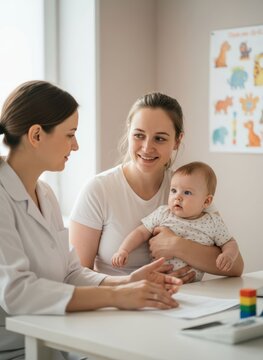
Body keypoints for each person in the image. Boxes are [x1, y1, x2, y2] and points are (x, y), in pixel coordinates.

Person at [0, 81, 182, 360]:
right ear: (36, 135)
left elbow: (70, 272)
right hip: (15, 347)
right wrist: (116, 297)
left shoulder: (44, 193)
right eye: (70, 134)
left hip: (52, 338)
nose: (76, 145)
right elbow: (17, 293)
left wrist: (126, 283)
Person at [69, 92, 243, 280]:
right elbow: (76, 276)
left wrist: (176, 245)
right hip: (118, 305)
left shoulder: (189, 189)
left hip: (184, 302)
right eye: (139, 135)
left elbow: (235, 267)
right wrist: (132, 284)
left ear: (177, 140)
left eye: (159, 138)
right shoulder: (98, 190)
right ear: (129, 132)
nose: (146, 147)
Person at [111, 161, 239, 281]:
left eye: (187, 192)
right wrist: (123, 250)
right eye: (173, 191)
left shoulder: (212, 222)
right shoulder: (164, 213)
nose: (177, 197)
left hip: (194, 285)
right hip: (157, 280)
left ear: (206, 201)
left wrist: (228, 255)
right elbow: (140, 232)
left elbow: (229, 242)